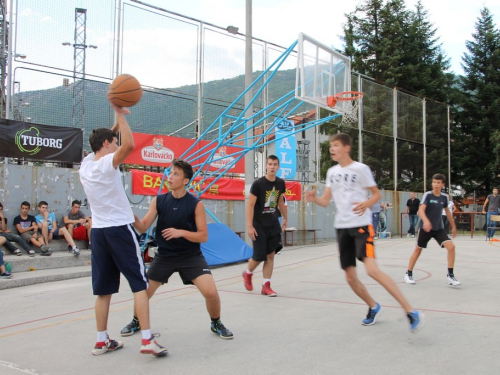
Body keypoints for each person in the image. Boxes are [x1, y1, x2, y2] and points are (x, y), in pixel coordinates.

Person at [305, 133, 424, 332]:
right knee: (350, 277)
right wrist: (314, 198)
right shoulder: (332, 172)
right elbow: (326, 201)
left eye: (335, 145)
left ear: (346, 147)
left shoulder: (361, 169)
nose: (332, 149)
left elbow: (376, 194)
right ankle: (373, 306)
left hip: (361, 226)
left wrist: (367, 203)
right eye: (331, 146)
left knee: (372, 270)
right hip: (342, 228)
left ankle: (410, 311)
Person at [79, 99, 167, 357]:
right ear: (107, 146)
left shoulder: (86, 165)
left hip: (99, 234)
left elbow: (106, 139)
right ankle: (148, 340)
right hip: (119, 230)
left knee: (103, 290)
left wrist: (115, 121)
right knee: (140, 284)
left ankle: (100, 340)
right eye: (112, 142)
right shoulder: (107, 164)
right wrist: (121, 116)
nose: (116, 144)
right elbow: (128, 144)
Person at [120, 159, 233, 340]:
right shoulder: (159, 201)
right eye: (170, 173)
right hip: (165, 256)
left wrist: (181, 232)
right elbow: (142, 227)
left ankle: (216, 323)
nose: (170, 177)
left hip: (190, 256)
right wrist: (129, 214)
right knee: (144, 291)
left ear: (186, 180)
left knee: (211, 293)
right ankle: (136, 321)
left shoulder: (196, 204)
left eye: (176, 174)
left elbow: (203, 236)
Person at [404, 173, 461, 287]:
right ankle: (408, 273)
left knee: (451, 247)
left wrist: (453, 225)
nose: (435, 184)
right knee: (418, 250)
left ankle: (450, 275)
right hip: (425, 228)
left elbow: (448, 211)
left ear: (442, 184)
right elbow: (421, 210)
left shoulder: (444, 197)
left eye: (438, 183)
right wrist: (426, 221)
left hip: (438, 228)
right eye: (434, 182)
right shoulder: (428, 195)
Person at [242, 155, 287, 297]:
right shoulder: (258, 184)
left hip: (273, 223)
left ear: (278, 166)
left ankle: (266, 285)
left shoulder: (280, 183)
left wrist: (285, 217)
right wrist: (249, 226)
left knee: (270, 255)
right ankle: (247, 273)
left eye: (275, 164)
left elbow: (280, 201)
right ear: (266, 166)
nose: (272, 166)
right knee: (259, 256)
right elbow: (250, 206)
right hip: (259, 224)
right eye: (270, 164)